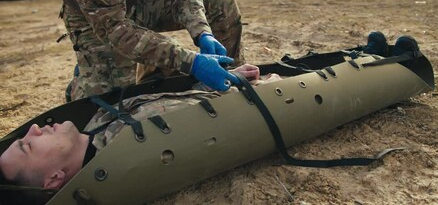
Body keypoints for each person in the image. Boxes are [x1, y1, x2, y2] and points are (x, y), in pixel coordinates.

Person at [0, 64, 282, 189]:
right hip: (268, 92)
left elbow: (170, 100)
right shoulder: (133, 156)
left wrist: (222, 78)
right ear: (54, 179)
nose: (34, 129)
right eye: (28, 145)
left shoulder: (97, 120)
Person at [59, 0, 244, 101]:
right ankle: (85, 79)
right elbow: (114, 29)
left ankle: (234, 80)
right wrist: (191, 62)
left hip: (135, 0)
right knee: (114, 103)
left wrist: (202, 31)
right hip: (93, 17)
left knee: (221, 3)